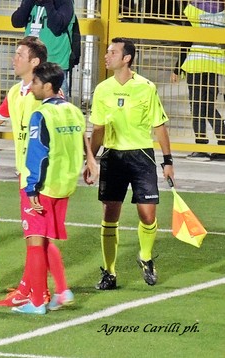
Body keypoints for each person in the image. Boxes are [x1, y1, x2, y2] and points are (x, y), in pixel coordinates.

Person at [0, 36, 70, 308]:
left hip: (41, 178)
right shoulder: (15, 92)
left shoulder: (46, 95)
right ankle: (33, 288)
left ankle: (43, 294)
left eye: (19, 54)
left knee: (37, 236)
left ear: (35, 61)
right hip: (27, 174)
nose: (13, 58)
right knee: (37, 236)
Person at [85, 38, 175, 290]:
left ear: (127, 58)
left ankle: (145, 257)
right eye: (107, 51)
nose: (107, 55)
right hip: (113, 157)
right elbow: (98, 128)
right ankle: (109, 273)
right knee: (110, 213)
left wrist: (168, 161)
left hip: (141, 157)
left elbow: (159, 125)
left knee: (148, 215)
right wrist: (90, 159)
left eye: (113, 52)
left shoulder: (146, 87)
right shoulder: (102, 89)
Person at [11, 62, 97, 315]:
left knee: (35, 241)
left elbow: (38, 154)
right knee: (45, 239)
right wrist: (91, 160)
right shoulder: (73, 111)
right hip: (65, 185)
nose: (32, 87)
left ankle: (37, 302)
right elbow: (82, 139)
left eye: (35, 83)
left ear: (47, 86)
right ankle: (61, 291)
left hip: (44, 187)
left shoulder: (41, 114)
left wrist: (31, 188)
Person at [170, 1, 225, 161]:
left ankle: (201, 145)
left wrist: (177, 68)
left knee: (196, 105)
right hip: (215, 63)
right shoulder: (222, 11)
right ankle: (222, 142)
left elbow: (186, 42)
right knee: (208, 105)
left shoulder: (193, 11)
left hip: (196, 61)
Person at [11, 0, 75, 96]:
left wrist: (48, 3)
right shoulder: (31, 2)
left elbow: (57, 26)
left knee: (55, 106)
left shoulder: (64, 2)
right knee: (28, 104)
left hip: (54, 68)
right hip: (31, 66)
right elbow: (16, 22)